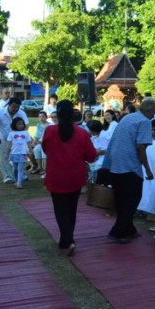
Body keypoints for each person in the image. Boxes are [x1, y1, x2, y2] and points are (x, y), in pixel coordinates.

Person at [41, 99, 97, 256]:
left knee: (60, 210)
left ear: (57, 114)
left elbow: (46, 150)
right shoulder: (82, 133)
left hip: (56, 176)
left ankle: (67, 239)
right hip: (75, 176)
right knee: (72, 209)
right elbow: (91, 156)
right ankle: (67, 238)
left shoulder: (50, 131)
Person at [102, 98, 155, 243]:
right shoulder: (144, 121)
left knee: (122, 199)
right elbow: (141, 147)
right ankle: (118, 231)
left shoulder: (128, 118)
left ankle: (128, 229)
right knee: (132, 199)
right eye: (154, 113)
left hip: (115, 164)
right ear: (148, 111)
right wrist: (148, 169)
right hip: (129, 166)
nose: (154, 116)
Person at [0, 97, 25, 183]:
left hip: (16, 139)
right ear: (9, 105)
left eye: (17, 107)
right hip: (2, 138)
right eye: (14, 107)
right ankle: (7, 176)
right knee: (3, 158)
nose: (16, 109)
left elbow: (26, 124)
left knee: (17, 157)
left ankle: (20, 174)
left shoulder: (21, 113)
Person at [7, 116, 33, 189]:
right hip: (14, 153)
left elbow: (29, 143)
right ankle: (16, 180)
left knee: (20, 168)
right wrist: (6, 153)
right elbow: (9, 144)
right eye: (19, 124)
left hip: (23, 153)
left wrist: (31, 151)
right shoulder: (11, 133)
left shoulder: (26, 133)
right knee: (15, 168)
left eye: (22, 124)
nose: (21, 125)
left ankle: (19, 183)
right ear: (14, 125)